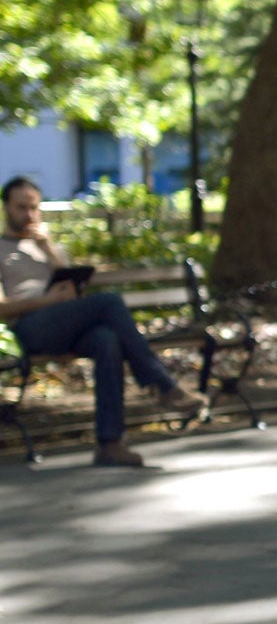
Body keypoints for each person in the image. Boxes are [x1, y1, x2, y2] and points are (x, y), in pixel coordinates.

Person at [0, 176, 204, 467]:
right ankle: (161, 384)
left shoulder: (48, 247)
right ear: (6, 207)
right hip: (30, 328)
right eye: (22, 207)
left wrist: (50, 253)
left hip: (65, 323)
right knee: (109, 301)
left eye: (35, 207)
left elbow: (73, 293)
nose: (30, 215)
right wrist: (47, 302)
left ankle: (110, 443)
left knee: (106, 338)